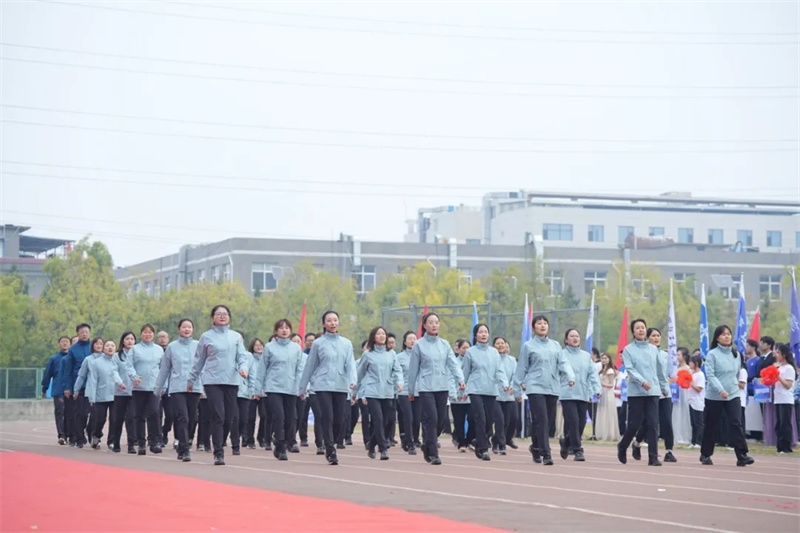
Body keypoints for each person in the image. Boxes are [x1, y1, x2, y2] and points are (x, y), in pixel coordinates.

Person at [188, 305, 251, 466]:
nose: (222, 316)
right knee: (219, 415)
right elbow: (199, 361)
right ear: (213, 317)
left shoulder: (235, 337)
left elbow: (242, 356)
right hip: (212, 381)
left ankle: (219, 441)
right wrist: (191, 381)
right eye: (218, 314)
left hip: (231, 381)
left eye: (225, 314)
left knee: (229, 418)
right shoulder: (206, 337)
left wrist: (243, 368)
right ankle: (218, 452)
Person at [514, 315, 575, 466]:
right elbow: (521, 368)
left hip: (552, 387)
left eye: (545, 323)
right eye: (539, 323)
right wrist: (516, 390)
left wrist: (570, 376)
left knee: (546, 421)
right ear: (534, 327)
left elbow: (563, 363)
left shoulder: (555, 345)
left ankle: (535, 447)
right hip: (535, 386)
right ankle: (546, 453)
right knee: (541, 419)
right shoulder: (528, 346)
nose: (542, 326)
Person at [298, 311, 357, 466]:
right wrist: (303, 387)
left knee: (340, 419)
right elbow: (310, 365)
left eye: (335, 320)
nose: (332, 323)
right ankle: (330, 450)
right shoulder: (318, 343)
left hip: (341, 385)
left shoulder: (346, 343)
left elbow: (350, 364)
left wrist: (353, 381)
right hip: (322, 384)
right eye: (329, 320)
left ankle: (332, 441)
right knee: (327, 417)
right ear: (324, 324)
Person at [407, 312, 465, 466]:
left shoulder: (444, 344)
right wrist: (411, 390)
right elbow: (413, 370)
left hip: (442, 386)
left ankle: (427, 442)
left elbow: (453, 364)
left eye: (436, 322)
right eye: (430, 322)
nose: (434, 325)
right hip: (426, 387)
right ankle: (433, 454)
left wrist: (460, 379)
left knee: (441, 420)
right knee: (431, 418)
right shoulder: (419, 345)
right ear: (424, 325)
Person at [699, 325, 754, 467]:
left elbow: (736, 373)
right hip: (714, 396)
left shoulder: (736, 354)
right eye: (723, 334)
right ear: (717, 338)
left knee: (736, 423)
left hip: (733, 394)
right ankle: (706, 454)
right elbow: (710, 375)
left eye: (729, 334)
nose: (727, 336)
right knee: (711, 425)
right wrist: (720, 390)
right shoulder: (712, 354)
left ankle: (742, 455)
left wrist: (735, 386)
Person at [617, 318, 669, 467]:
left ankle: (653, 457)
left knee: (653, 424)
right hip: (636, 392)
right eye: (637, 328)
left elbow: (660, 370)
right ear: (633, 332)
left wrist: (664, 387)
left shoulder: (653, 349)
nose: (641, 330)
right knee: (634, 424)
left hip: (653, 391)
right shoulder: (628, 350)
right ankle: (623, 446)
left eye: (643, 327)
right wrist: (642, 381)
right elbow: (630, 369)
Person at [154, 319, 201, 462]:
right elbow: (165, 369)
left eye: (189, 327)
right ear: (179, 329)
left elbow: (204, 367)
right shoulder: (172, 347)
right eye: (184, 327)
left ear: (192, 329)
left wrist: (206, 386)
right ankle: (185, 449)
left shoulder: (198, 345)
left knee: (192, 419)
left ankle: (182, 445)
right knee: (182, 417)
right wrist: (158, 389)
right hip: (177, 387)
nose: (187, 329)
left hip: (194, 387)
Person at [462, 324, 508, 461]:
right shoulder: (470, 352)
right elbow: (465, 372)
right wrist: (462, 388)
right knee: (480, 418)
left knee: (489, 421)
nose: (483, 334)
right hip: (475, 389)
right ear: (475, 335)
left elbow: (499, 370)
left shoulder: (494, 352)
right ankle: (483, 449)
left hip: (491, 390)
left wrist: (504, 383)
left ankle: (478, 440)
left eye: (486, 332)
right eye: (480, 332)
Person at [630, 328, 677, 463]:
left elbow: (667, 373)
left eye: (658, 335)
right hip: (650, 392)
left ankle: (669, 451)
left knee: (667, 421)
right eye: (653, 336)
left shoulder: (665, 355)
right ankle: (637, 443)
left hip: (664, 392)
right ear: (647, 338)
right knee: (649, 422)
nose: (656, 338)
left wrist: (667, 384)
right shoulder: (643, 354)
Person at [356, 326, 403, 460]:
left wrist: (399, 382)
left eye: (383, 334)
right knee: (378, 419)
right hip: (372, 391)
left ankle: (371, 444)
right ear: (373, 337)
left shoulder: (391, 354)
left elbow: (397, 370)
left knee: (386, 421)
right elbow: (360, 374)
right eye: (378, 334)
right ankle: (383, 448)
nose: (382, 336)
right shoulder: (368, 354)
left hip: (387, 391)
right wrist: (355, 391)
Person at [261, 319, 305, 461]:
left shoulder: (296, 348)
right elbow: (262, 368)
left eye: (287, 328)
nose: (284, 330)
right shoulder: (269, 347)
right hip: (273, 387)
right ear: (276, 331)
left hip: (291, 388)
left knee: (290, 418)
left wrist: (300, 387)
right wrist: (257, 388)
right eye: (281, 328)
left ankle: (284, 440)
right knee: (279, 416)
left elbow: (299, 369)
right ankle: (280, 446)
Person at [559, 329, 601, 462]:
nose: (575, 338)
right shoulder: (561, 355)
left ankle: (566, 442)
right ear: (566, 340)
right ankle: (578, 450)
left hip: (583, 393)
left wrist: (597, 388)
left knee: (581, 423)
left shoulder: (585, 356)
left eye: (577, 336)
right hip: (567, 393)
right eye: (571, 336)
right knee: (573, 421)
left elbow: (592, 373)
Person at [126, 324, 165, 455]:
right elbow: (129, 366)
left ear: (153, 334)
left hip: (154, 386)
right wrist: (134, 376)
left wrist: (163, 385)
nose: (148, 334)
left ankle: (154, 442)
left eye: (150, 332)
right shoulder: (134, 349)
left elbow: (163, 368)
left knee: (154, 412)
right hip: (139, 387)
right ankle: (141, 444)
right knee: (139, 415)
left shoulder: (159, 349)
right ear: (141, 334)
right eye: (145, 332)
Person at [86, 339, 124, 450]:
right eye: (107, 345)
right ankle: (96, 435)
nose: (110, 348)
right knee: (100, 419)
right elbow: (93, 380)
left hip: (116, 395)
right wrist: (92, 397)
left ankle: (111, 441)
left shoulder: (119, 361)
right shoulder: (96, 363)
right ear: (103, 348)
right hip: (101, 395)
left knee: (114, 419)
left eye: (112, 346)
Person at [61, 323, 92, 447]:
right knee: (80, 413)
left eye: (86, 332)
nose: (84, 334)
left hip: (94, 385)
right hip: (79, 386)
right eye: (82, 332)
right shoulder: (73, 350)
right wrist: (67, 387)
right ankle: (79, 438)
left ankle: (91, 433)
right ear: (78, 334)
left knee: (95, 414)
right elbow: (68, 370)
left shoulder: (94, 346)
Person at [72, 337, 104, 449]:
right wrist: (76, 389)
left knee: (98, 417)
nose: (99, 346)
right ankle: (79, 438)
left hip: (103, 393)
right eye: (96, 344)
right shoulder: (88, 360)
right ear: (93, 346)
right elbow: (81, 375)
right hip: (90, 391)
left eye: (101, 344)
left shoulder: (109, 359)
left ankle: (93, 434)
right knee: (83, 414)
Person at [109, 332, 137, 454]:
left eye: (132, 339)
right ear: (123, 341)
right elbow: (113, 371)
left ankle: (131, 444)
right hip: (120, 392)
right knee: (118, 419)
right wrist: (119, 382)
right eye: (127, 339)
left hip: (134, 391)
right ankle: (116, 443)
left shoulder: (137, 355)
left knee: (131, 418)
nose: (129, 341)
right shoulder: (117, 356)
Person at [41, 336, 70, 445]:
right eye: (62, 342)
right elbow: (47, 374)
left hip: (71, 390)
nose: (65, 343)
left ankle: (70, 434)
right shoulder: (54, 359)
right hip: (58, 390)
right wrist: (44, 388)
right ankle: (62, 435)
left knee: (70, 413)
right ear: (59, 344)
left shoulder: (72, 358)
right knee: (60, 412)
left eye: (67, 342)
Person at [492, 336, 519, 453]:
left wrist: (512, 386)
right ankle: (502, 445)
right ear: (493, 346)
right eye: (497, 343)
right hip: (495, 394)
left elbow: (515, 375)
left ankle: (495, 440)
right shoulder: (492, 359)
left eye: (502, 343)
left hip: (508, 395)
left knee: (508, 421)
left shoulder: (512, 360)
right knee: (500, 420)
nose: (500, 345)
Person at [233, 340, 259, 455]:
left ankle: (237, 436)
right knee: (233, 418)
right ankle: (234, 443)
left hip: (244, 392)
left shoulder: (248, 356)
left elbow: (252, 374)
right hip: (231, 391)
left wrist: (252, 390)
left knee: (243, 419)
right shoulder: (227, 354)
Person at [395, 331, 418, 455]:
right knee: (408, 418)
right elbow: (396, 373)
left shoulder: (421, 355)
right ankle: (410, 443)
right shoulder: (399, 357)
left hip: (418, 391)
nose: (412, 341)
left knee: (417, 419)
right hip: (404, 392)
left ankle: (413, 438)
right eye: (410, 339)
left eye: (414, 338)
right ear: (405, 342)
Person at [449, 339, 472, 453]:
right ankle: (461, 443)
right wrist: (453, 393)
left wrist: (467, 392)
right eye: (463, 348)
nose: (466, 350)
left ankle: (469, 440)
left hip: (470, 397)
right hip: (457, 397)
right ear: (459, 349)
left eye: (468, 348)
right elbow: (450, 378)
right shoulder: (454, 362)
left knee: (473, 419)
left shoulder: (473, 361)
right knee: (459, 421)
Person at [773, 344, 796, 454]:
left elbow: (788, 385)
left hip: (786, 399)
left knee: (785, 424)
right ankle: (780, 447)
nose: (776, 355)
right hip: (778, 398)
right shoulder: (780, 367)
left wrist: (777, 376)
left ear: (784, 354)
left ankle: (786, 447)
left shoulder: (789, 368)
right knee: (779, 424)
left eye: (778, 353)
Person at [289, 333, 308, 449]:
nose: (296, 344)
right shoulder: (287, 356)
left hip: (301, 391)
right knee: (292, 417)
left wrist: (305, 388)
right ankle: (291, 441)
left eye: (298, 341)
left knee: (300, 417)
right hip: (288, 390)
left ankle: (288, 436)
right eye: (294, 341)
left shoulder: (306, 357)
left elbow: (308, 374)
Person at [595, 353, 620, 442]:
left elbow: (611, 384)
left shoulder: (610, 370)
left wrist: (602, 384)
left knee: (608, 413)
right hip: (601, 393)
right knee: (602, 412)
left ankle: (610, 434)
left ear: (609, 359)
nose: (604, 360)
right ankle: (602, 433)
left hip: (608, 393)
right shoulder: (602, 370)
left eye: (606, 358)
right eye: (602, 358)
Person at [245, 338, 265, 449]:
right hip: (252, 392)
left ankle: (261, 438)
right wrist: (252, 391)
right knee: (250, 418)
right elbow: (249, 376)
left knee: (264, 416)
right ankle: (249, 439)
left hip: (264, 392)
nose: (259, 347)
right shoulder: (249, 358)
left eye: (260, 345)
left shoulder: (266, 358)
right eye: (256, 345)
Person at [672, 347, 693, 446]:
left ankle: (685, 436)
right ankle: (676, 435)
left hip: (684, 392)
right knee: (676, 413)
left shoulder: (688, 369)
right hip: (676, 393)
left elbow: (689, 382)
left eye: (678, 355)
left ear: (684, 356)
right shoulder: (675, 368)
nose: (677, 357)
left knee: (684, 413)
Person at [156, 330, 172, 448]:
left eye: (164, 337)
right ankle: (158, 437)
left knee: (171, 414)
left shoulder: (171, 350)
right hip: (157, 387)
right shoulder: (155, 351)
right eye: (160, 337)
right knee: (157, 414)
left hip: (170, 388)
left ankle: (165, 430)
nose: (162, 339)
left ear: (168, 339)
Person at [687, 355, 705, 449]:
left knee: (699, 423)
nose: (690, 363)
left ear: (696, 363)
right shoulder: (693, 374)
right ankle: (693, 441)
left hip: (698, 401)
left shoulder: (700, 374)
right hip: (691, 400)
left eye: (691, 362)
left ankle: (699, 442)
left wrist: (690, 384)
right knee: (693, 423)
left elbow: (699, 389)